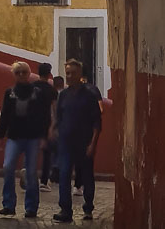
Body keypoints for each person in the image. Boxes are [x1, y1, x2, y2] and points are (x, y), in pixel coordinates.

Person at [52, 58, 102, 223]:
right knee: (64, 174)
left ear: (80, 74)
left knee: (87, 176)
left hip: (84, 142)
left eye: (73, 73)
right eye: (67, 73)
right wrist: (54, 132)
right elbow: (59, 117)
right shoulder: (63, 95)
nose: (70, 76)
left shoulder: (90, 95)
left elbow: (97, 122)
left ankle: (88, 207)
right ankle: (65, 210)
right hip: (66, 143)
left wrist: (93, 144)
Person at [0, 61, 48, 219]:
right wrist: (0, 135)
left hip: (32, 137)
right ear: (14, 74)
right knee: (7, 167)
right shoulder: (9, 93)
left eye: (24, 72)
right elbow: (5, 114)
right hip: (14, 136)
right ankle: (8, 204)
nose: (21, 75)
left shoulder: (37, 92)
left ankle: (31, 207)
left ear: (29, 73)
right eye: (18, 72)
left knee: (31, 172)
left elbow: (44, 116)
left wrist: (44, 137)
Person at [33, 62, 58, 192]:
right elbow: (54, 110)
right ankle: (44, 181)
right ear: (49, 74)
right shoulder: (52, 90)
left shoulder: (32, 87)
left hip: (32, 123)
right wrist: (52, 127)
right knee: (47, 154)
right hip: (46, 123)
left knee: (31, 152)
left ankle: (29, 177)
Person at [50, 76, 65, 183]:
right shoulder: (66, 95)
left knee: (54, 150)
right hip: (63, 126)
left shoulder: (53, 95)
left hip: (54, 126)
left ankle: (54, 168)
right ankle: (58, 169)